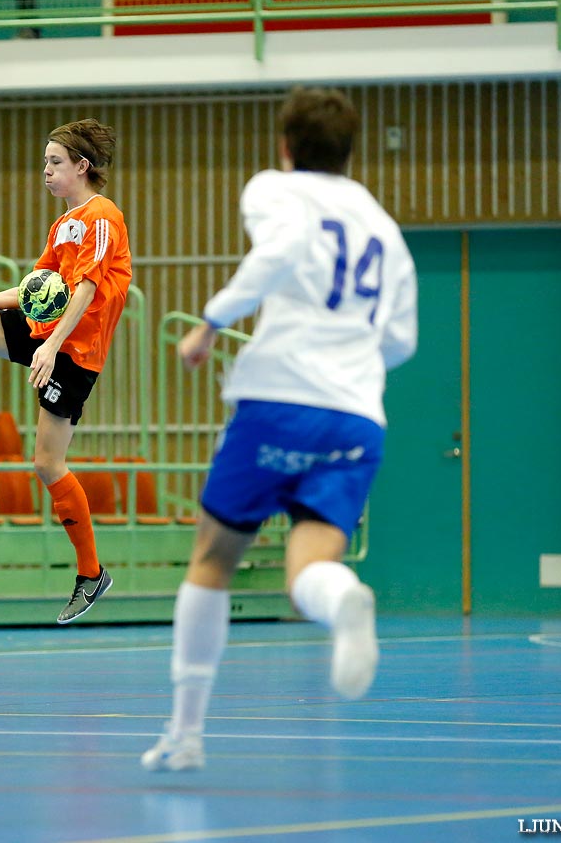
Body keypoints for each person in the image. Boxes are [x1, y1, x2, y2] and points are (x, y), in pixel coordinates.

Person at [141, 87, 418, 772]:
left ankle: (187, 734)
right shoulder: (385, 228)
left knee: (213, 559)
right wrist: (350, 362)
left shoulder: (276, 190)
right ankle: (344, 599)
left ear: (285, 146)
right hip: (357, 413)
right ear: (351, 151)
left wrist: (212, 321)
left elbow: (280, 251)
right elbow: (403, 340)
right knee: (310, 568)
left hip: (278, 399)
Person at [0, 119, 130, 624]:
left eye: (55, 163)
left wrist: (54, 346)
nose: (46, 172)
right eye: (44, 163)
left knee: (46, 465)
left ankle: (90, 573)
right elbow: (37, 287)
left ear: (82, 166)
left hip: (74, 353)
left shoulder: (102, 217)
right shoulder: (63, 224)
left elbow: (86, 290)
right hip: (45, 334)